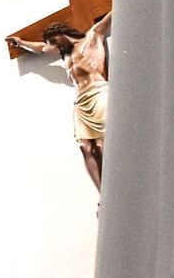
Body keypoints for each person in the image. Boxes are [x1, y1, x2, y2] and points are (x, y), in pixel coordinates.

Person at [8, 10, 111, 192]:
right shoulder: (63, 52)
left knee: (102, 144)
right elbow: (40, 48)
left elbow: (112, 15)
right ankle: (102, 193)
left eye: (54, 41)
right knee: (85, 147)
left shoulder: (93, 36)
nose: (54, 46)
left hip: (99, 93)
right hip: (80, 102)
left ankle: (113, 187)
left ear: (62, 33)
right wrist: (20, 43)